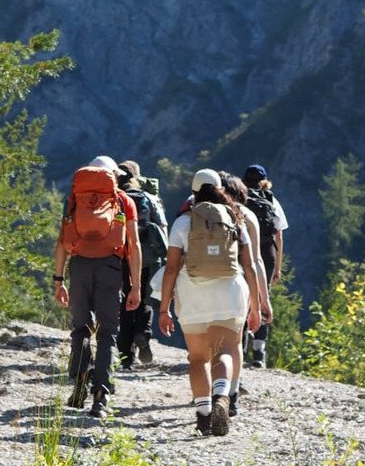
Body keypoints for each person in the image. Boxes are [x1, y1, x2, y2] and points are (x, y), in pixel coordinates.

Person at [159, 169, 262, 436]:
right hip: (229, 294)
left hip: (193, 298)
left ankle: (204, 415)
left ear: (193, 192)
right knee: (223, 351)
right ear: (220, 190)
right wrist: (256, 304)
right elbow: (250, 266)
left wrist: (164, 308)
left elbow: (171, 269)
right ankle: (221, 397)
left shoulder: (183, 223)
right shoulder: (235, 219)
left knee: (197, 358)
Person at [53, 155, 142, 418]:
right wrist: (136, 286)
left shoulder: (74, 199)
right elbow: (134, 245)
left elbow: (62, 242)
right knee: (107, 333)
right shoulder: (124, 201)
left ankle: (79, 385)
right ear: (114, 176)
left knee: (80, 329)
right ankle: (101, 397)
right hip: (110, 268)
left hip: (79, 266)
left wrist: (59, 281)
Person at [219, 171, 273, 415]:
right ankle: (232, 393)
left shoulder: (197, 212)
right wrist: (262, 299)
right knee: (236, 341)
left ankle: (211, 391)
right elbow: (256, 262)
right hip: (237, 285)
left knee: (212, 339)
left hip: (203, 284)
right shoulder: (246, 215)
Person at [115, 160, 168, 370]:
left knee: (124, 303)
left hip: (120, 257)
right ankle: (142, 333)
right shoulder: (149, 198)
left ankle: (125, 356)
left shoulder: (115, 198)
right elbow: (162, 227)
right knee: (145, 298)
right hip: (146, 259)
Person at [241, 164, 289, 368]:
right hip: (267, 253)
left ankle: (240, 346)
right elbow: (279, 235)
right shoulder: (271, 200)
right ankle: (259, 353)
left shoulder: (239, 198)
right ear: (265, 181)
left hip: (243, 253)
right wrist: (277, 267)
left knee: (243, 296)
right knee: (262, 296)